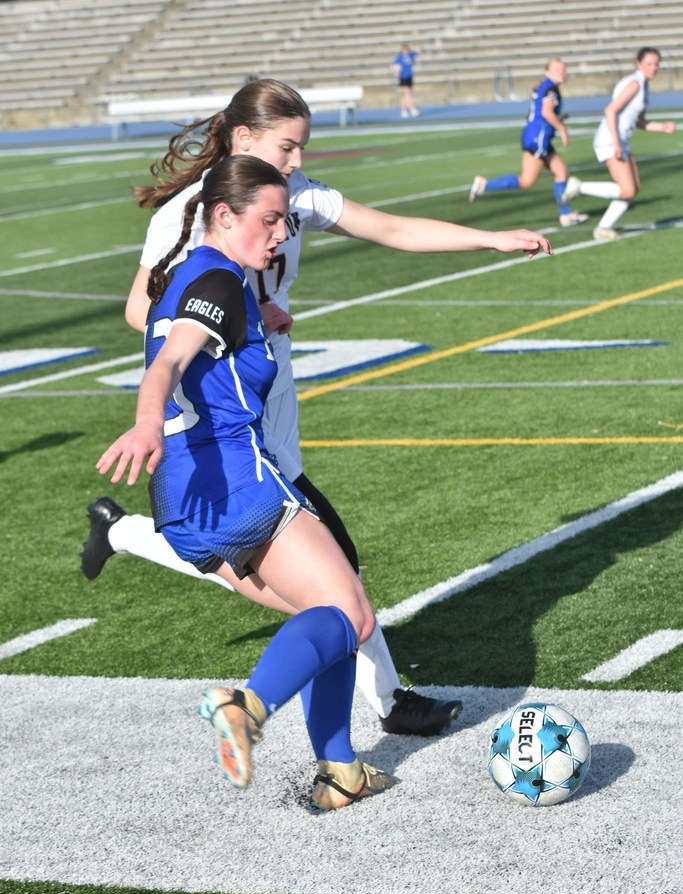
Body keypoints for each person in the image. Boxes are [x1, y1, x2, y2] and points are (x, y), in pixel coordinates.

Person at [81, 79, 551, 737]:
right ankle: (384, 705)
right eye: (287, 146)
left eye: (302, 147)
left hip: (269, 397)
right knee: (326, 577)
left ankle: (123, 533)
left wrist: (491, 239)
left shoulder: (293, 194)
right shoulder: (194, 213)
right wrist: (244, 316)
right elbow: (143, 311)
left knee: (303, 574)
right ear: (243, 139)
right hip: (223, 419)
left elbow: (389, 227)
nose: (298, 160)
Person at [96, 154, 397, 811]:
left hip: (184, 500)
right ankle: (247, 706)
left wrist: (262, 320)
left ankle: (340, 772)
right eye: (269, 219)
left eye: (286, 220)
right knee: (351, 613)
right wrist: (145, 422)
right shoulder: (220, 281)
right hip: (233, 478)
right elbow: (169, 362)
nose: (282, 233)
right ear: (224, 216)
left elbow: (192, 343)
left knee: (326, 614)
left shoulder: (195, 277)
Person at [561, 47, 676, 240]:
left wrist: (663, 127)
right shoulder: (635, 83)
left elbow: (639, 121)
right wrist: (616, 143)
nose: (653, 68)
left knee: (633, 188)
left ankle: (603, 228)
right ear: (639, 64)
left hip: (620, 140)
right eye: (649, 63)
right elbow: (610, 111)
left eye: (656, 64)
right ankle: (579, 186)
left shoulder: (643, 85)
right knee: (627, 189)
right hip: (610, 139)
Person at [468, 58, 589, 228]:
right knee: (527, 181)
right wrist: (562, 128)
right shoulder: (551, 88)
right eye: (556, 69)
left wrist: (558, 119)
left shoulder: (546, 86)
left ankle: (566, 215)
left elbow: (542, 113)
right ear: (547, 72)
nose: (561, 73)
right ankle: (484, 185)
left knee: (561, 172)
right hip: (538, 139)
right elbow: (546, 112)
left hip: (537, 136)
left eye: (563, 69)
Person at [392, 43, 421, 118]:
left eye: (407, 49)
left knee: (406, 95)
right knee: (408, 94)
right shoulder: (399, 58)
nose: (406, 50)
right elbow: (392, 65)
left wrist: (411, 46)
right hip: (403, 77)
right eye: (405, 49)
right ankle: (412, 110)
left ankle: (403, 111)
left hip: (409, 76)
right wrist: (395, 73)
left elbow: (418, 51)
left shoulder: (410, 55)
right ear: (402, 50)